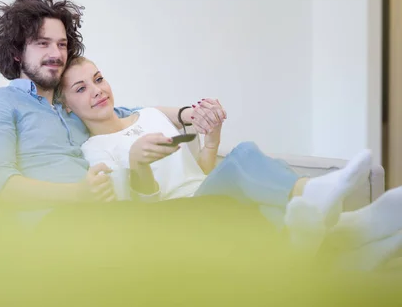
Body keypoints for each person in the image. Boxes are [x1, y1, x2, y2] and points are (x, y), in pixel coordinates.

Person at [57, 56, 402, 268]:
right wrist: (138, 164)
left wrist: (212, 138)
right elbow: (137, 211)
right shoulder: (95, 149)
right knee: (245, 156)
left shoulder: (149, 115)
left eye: (98, 79)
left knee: (248, 175)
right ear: (67, 105)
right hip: (176, 215)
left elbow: (202, 173)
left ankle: (349, 238)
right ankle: (327, 208)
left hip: (206, 194)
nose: (97, 90)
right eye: (81, 88)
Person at [0, 0, 198, 217]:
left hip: (109, 215)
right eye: (42, 43)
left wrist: (190, 114)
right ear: (17, 52)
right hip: (56, 222)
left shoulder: (72, 107)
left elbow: (130, 113)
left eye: (62, 44)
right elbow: (4, 188)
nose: (56, 54)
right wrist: (78, 193)